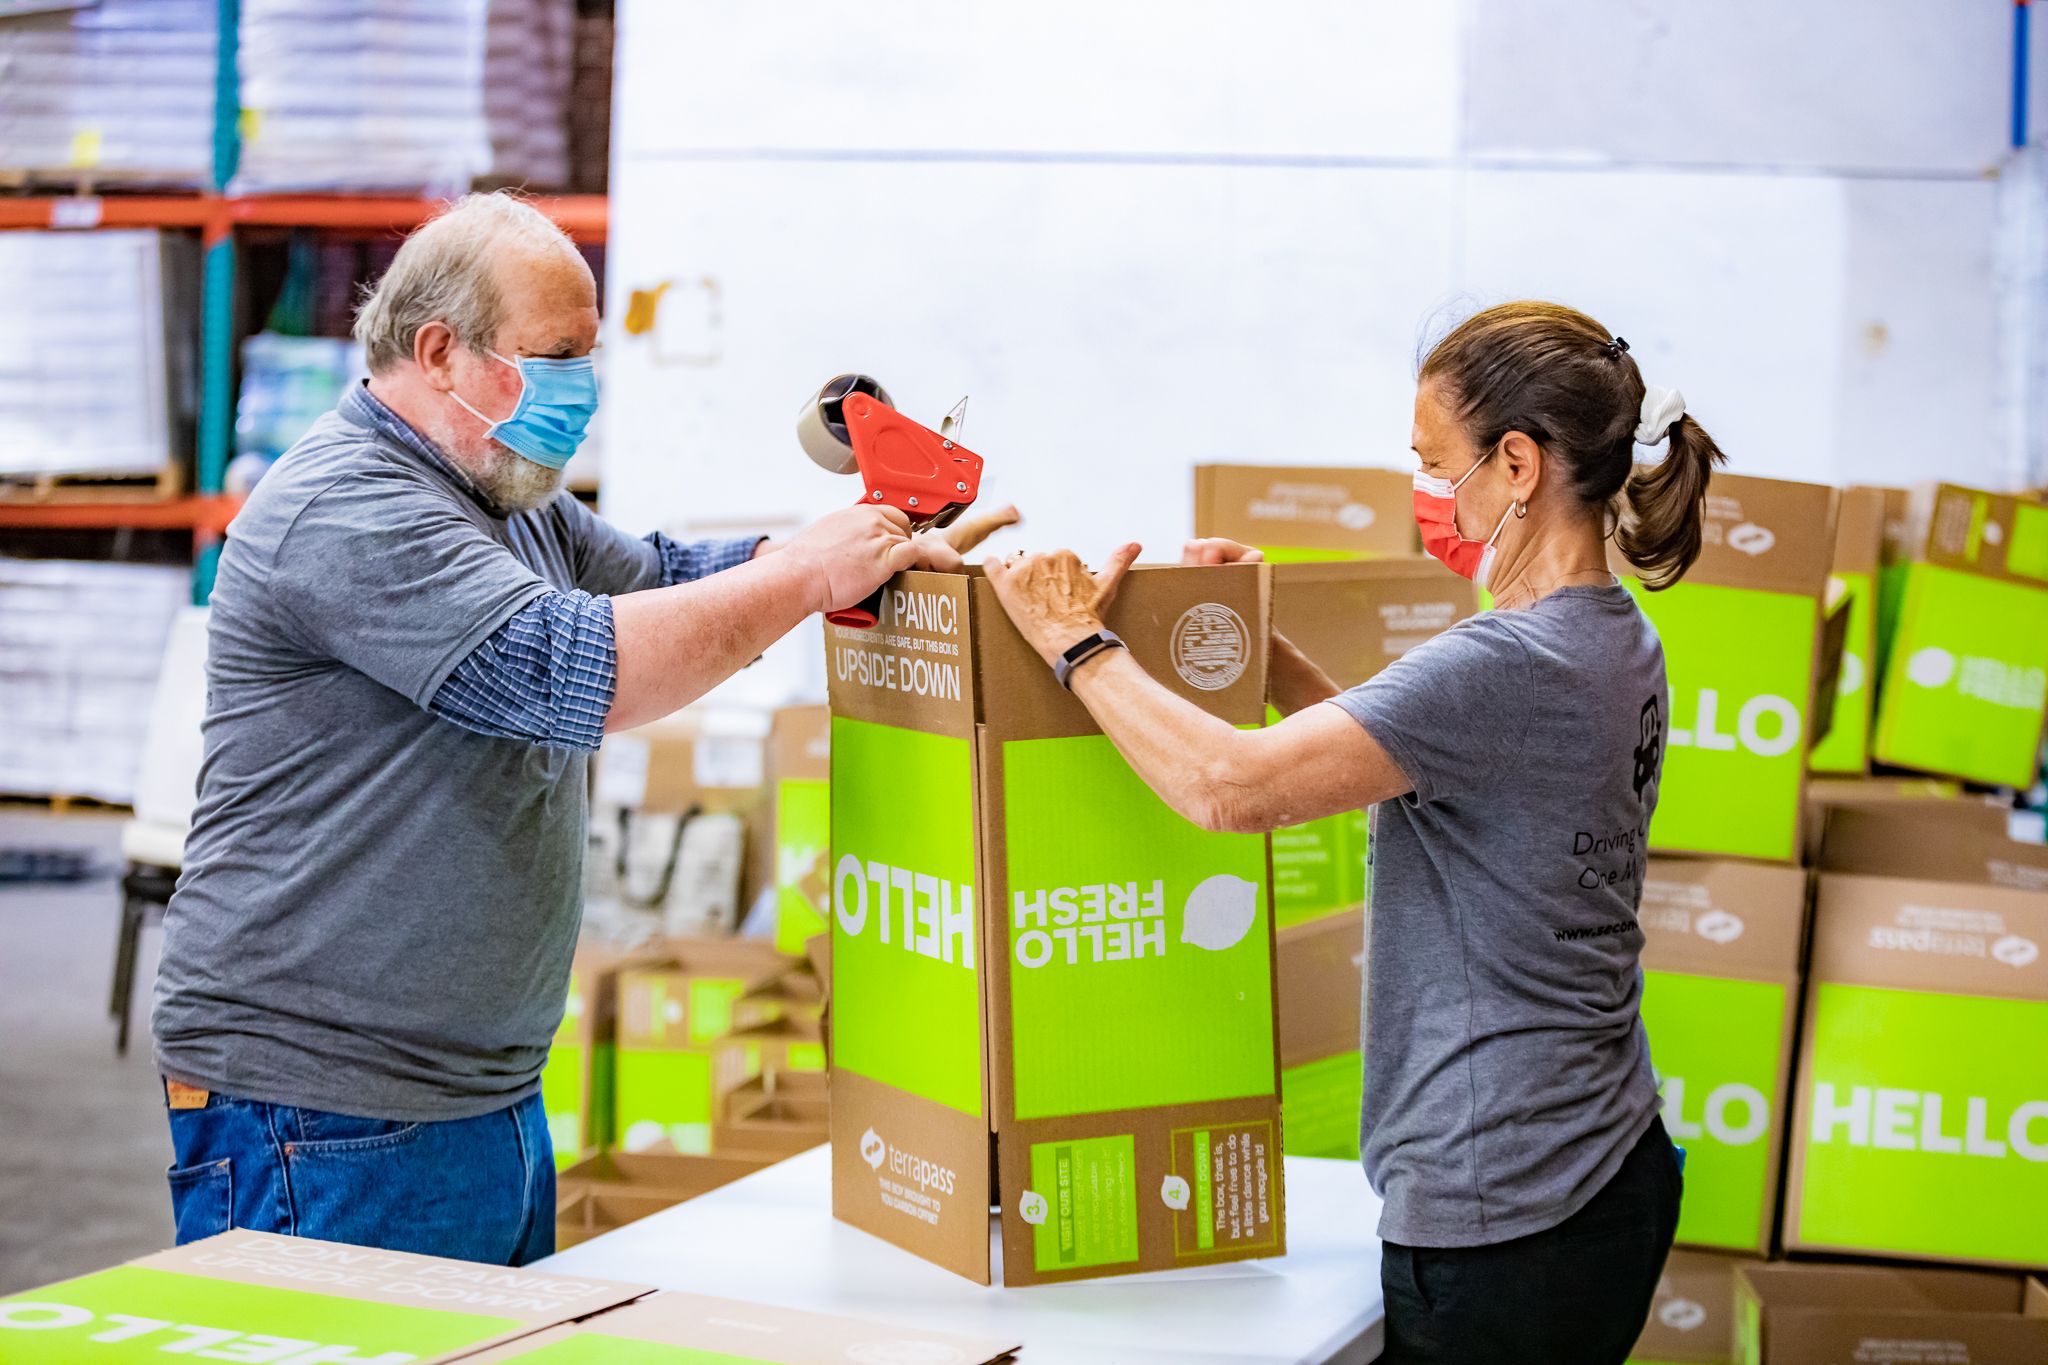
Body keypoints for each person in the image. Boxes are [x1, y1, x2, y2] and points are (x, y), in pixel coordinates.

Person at [151, 192, 1005, 1265]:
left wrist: (849, 549)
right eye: (555, 358)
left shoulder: (509, 500)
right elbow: (568, 672)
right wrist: (801, 578)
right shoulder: (350, 507)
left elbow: (662, 582)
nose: (582, 393)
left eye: (587, 359)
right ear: (440, 352)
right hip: (321, 1110)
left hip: (472, 1092)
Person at [985, 301, 1722, 1364]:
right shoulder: (1609, 635)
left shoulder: (1506, 663)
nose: (1424, 491)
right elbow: (1439, 779)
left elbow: (1226, 790)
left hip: (1503, 1208)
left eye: (1433, 463)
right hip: (1605, 1159)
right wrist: (1267, 656)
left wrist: (1075, 644)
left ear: (1515, 464)